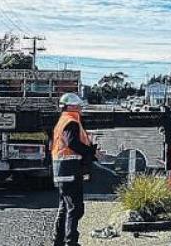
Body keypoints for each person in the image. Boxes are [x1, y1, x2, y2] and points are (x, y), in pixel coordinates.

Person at [52, 92, 96, 246]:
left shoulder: (65, 121)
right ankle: (70, 241)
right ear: (71, 106)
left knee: (65, 207)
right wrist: (91, 151)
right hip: (70, 170)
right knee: (75, 208)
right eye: (78, 106)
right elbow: (72, 144)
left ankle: (58, 240)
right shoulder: (71, 122)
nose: (80, 109)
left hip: (63, 169)